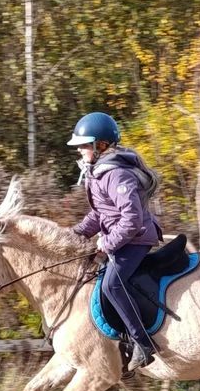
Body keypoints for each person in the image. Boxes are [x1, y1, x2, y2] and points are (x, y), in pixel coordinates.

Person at [68, 112, 163, 371]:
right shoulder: (98, 171)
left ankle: (143, 343)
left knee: (112, 284)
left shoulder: (116, 174)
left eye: (84, 145)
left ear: (101, 145)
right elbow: (101, 213)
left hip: (136, 238)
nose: (79, 150)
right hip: (123, 237)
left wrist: (107, 243)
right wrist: (75, 234)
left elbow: (131, 220)